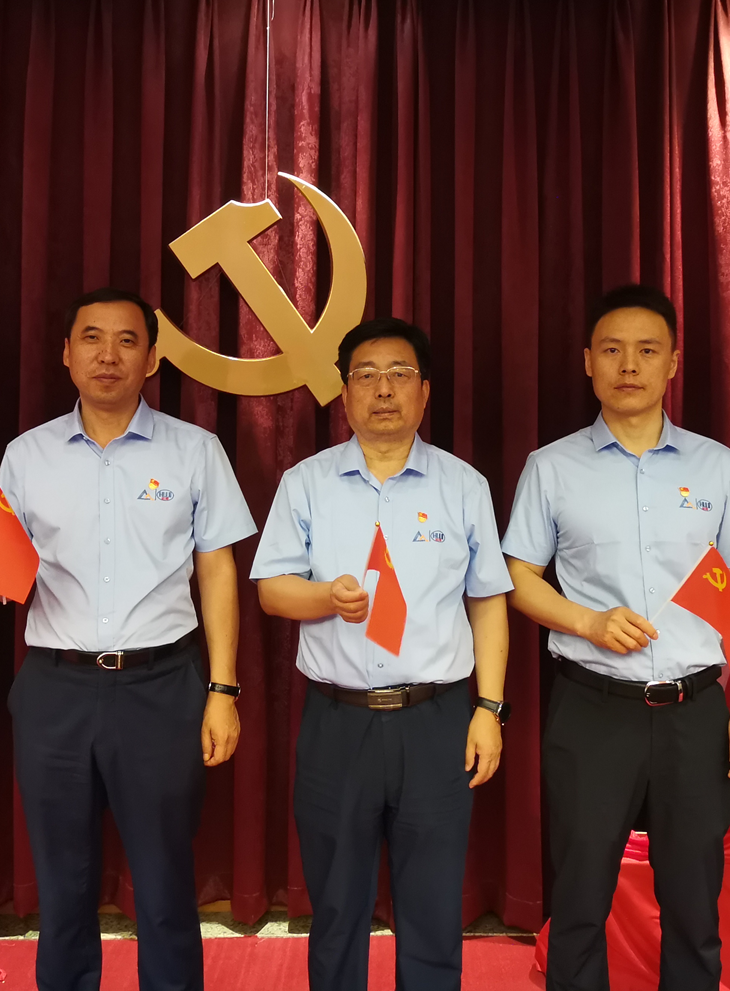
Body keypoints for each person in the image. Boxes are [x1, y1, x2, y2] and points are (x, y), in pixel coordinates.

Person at [503, 284, 730, 991]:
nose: (629, 365)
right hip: (593, 711)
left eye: (647, 350)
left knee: (693, 903)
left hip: (695, 711)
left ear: (673, 363)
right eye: (613, 350)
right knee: (580, 898)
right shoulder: (551, 467)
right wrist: (588, 622)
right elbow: (518, 579)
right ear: (588, 362)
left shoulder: (716, 466)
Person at [0, 286, 256, 991]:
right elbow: (4, 566)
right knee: (63, 884)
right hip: (55, 687)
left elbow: (218, 572)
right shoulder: (27, 455)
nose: (108, 355)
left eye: (127, 340)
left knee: (165, 883)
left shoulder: (195, 451)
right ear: (66, 354)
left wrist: (222, 689)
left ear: (153, 359)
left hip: (161, 686)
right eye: (92, 338)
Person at [251, 317, 512, 991]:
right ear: (345, 394)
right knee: (337, 906)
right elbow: (273, 591)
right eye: (366, 375)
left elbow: (488, 602)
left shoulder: (464, 486)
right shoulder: (306, 483)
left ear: (425, 392)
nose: (384, 389)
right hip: (338, 722)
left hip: (437, 719)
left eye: (400, 374)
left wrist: (489, 709)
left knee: (432, 908)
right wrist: (324, 598)